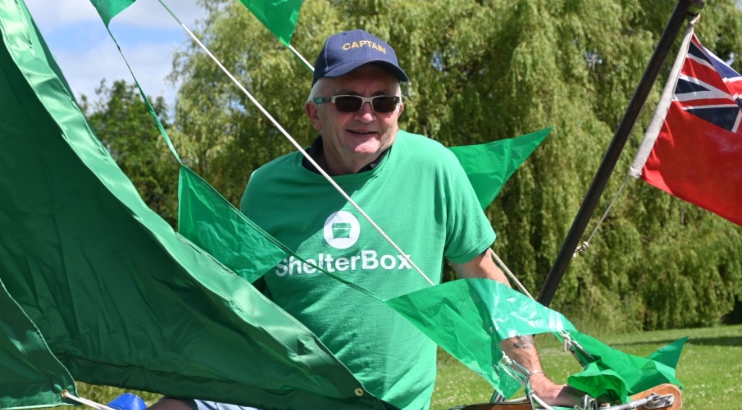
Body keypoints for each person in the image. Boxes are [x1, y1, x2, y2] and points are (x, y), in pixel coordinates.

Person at [151, 29, 577, 410]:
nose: (368, 114)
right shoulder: (266, 187)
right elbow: (242, 298)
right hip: (287, 394)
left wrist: (534, 378)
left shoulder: (434, 167)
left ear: (400, 109)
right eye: (348, 101)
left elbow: (484, 278)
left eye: (384, 101)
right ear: (314, 114)